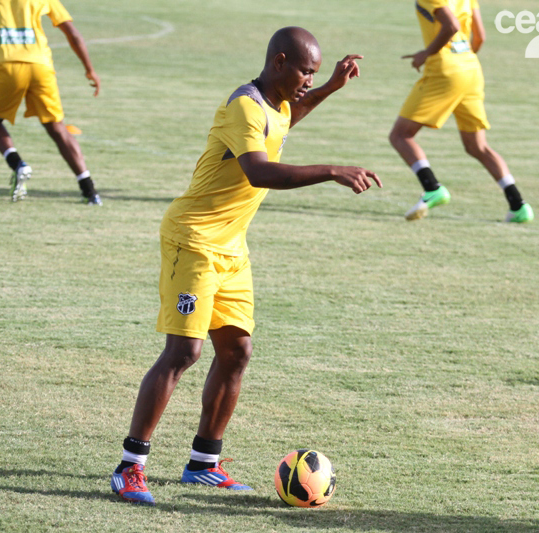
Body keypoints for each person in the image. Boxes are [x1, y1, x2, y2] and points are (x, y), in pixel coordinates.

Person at [110, 27, 381, 506]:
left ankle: (203, 464)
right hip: (192, 240)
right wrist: (332, 170)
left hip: (232, 248)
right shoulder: (244, 106)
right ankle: (130, 467)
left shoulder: (275, 104)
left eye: (313, 73)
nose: (307, 80)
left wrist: (329, 89)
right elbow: (260, 170)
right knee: (184, 353)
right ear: (279, 61)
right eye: (304, 71)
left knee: (236, 353)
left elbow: (287, 119)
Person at [389, 0, 534, 222]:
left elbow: (452, 25)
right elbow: (480, 36)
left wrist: (426, 53)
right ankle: (518, 206)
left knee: (400, 135)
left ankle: (432, 188)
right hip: (471, 68)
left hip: (445, 71)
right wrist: (463, 60)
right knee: (477, 146)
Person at [0, 0, 102, 205]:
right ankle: (90, 190)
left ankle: (18, 165)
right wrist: (90, 69)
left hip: (5, 68)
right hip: (40, 67)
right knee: (57, 127)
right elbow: (73, 34)